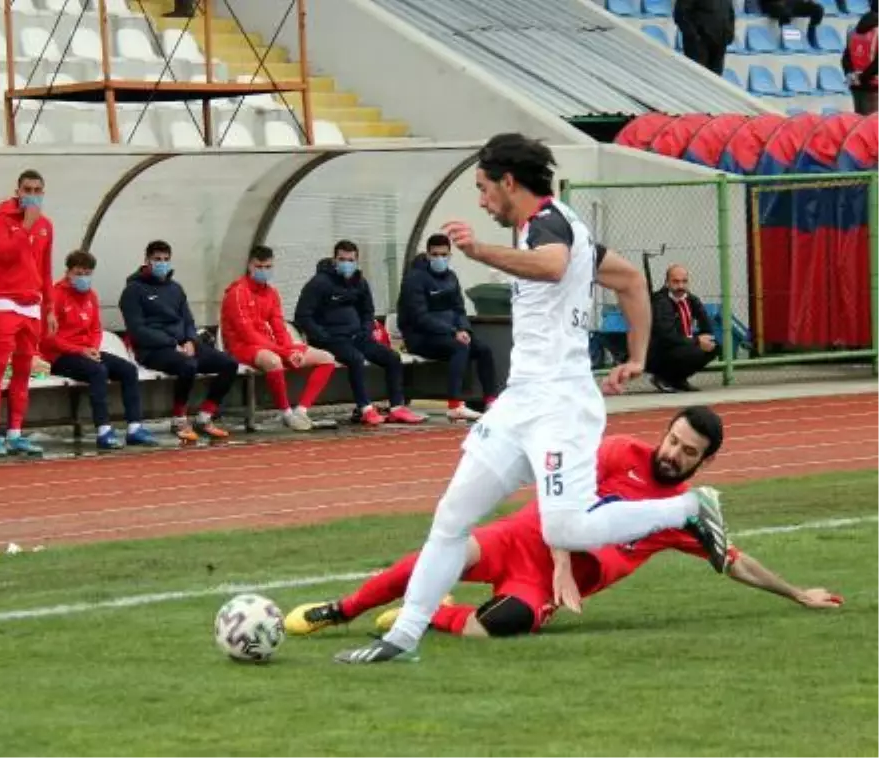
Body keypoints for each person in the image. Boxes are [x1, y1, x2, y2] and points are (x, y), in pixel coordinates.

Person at [335, 133, 729, 665]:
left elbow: (552, 266)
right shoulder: (562, 229)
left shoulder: (547, 224)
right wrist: (637, 356)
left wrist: (478, 250)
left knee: (564, 527)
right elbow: (632, 281)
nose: (481, 201)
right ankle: (402, 639)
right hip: (520, 402)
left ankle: (687, 507)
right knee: (451, 518)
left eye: (483, 188)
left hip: (560, 405)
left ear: (508, 182)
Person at [289, 407, 842, 641]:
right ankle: (340, 610)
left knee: (501, 627)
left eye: (687, 451)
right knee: (440, 554)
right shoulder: (618, 452)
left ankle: (433, 613)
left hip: (547, 582)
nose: (673, 453)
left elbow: (732, 560)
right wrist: (559, 561)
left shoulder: (679, 513)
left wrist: (798, 594)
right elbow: (563, 502)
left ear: (705, 461)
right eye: (672, 440)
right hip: (524, 539)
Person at [294, 240, 425, 426]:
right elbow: (302, 315)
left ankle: (397, 407)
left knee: (392, 357)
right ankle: (365, 408)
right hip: (331, 340)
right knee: (355, 359)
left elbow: (367, 311)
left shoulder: (360, 283)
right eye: (342, 259)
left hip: (358, 336)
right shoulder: (319, 283)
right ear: (334, 259)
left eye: (350, 260)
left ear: (357, 261)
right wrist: (323, 336)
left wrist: (366, 330)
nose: (346, 264)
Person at [119, 240, 237, 442]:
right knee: (188, 365)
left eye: (166, 259)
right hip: (152, 350)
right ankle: (178, 419)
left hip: (183, 344)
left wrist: (190, 339)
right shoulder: (133, 290)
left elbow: (188, 320)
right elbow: (138, 330)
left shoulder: (176, 288)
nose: (162, 263)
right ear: (147, 260)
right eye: (157, 259)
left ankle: (205, 416)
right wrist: (172, 344)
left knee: (229, 363)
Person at [41, 250, 158, 450]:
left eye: (87, 274)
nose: (83, 278)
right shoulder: (55, 296)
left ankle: (135, 428)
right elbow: (49, 338)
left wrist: (92, 348)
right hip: (60, 356)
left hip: (87, 352)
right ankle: (104, 430)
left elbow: (96, 328)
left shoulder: (91, 296)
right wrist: (80, 350)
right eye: (78, 273)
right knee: (98, 371)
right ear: (68, 273)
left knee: (128, 370)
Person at [220, 245, 338, 432]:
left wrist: (290, 349)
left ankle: (301, 410)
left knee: (327, 358)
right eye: (259, 267)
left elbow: (279, 327)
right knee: (274, 360)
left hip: (268, 345)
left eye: (268, 267)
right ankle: (286, 413)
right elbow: (247, 334)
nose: (263, 271)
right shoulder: (237, 293)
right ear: (250, 266)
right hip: (241, 347)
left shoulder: (272, 293)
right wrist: (284, 352)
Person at [0, 169, 55, 457]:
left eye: (38, 190)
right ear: (18, 191)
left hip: (31, 304)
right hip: (3, 301)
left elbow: (46, 269)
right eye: (28, 190)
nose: (32, 195)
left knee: (24, 370)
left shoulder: (46, 225)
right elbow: (4, 255)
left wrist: (49, 308)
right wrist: (25, 226)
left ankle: (15, 433)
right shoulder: (2, 217)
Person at [396, 233, 498, 423]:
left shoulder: (451, 277)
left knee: (483, 349)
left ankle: (491, 401)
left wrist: (464, 329)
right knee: (460, 347)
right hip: (421, 337)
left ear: (450, 255)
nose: (440, 259)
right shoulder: (414, 279)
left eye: (444, 255)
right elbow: (420, 318)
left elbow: (459, 309)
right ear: (428, 255)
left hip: (450, 334)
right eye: (435, 255)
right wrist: (453, 332)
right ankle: (455, 405)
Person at [647, 264, 717, 393]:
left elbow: (706, 326)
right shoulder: (660, 301)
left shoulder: (691, 299)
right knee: (693, 351)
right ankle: (662, 377)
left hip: (680, 345)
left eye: (684, 281)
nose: (681, 286)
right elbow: (666, 336)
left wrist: (705, 338)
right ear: (667, 282)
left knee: (714, 346)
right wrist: (696, 341)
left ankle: (678, 380)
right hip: (656, 350)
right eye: (676, 282)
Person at [673, 0, 735, 75]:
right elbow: (680, 13)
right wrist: (694, 37)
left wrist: (729, 34)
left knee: (714, 79)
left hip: (719, 45)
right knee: (696, 77)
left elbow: (730, 12)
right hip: (698, 46)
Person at [843, 2, 879, 116]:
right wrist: (863, 77)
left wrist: (853, 76)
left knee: (859, 122)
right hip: (873, 86)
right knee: (872, 124)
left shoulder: (853, 30)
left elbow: (845, 58)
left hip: (856, 85)